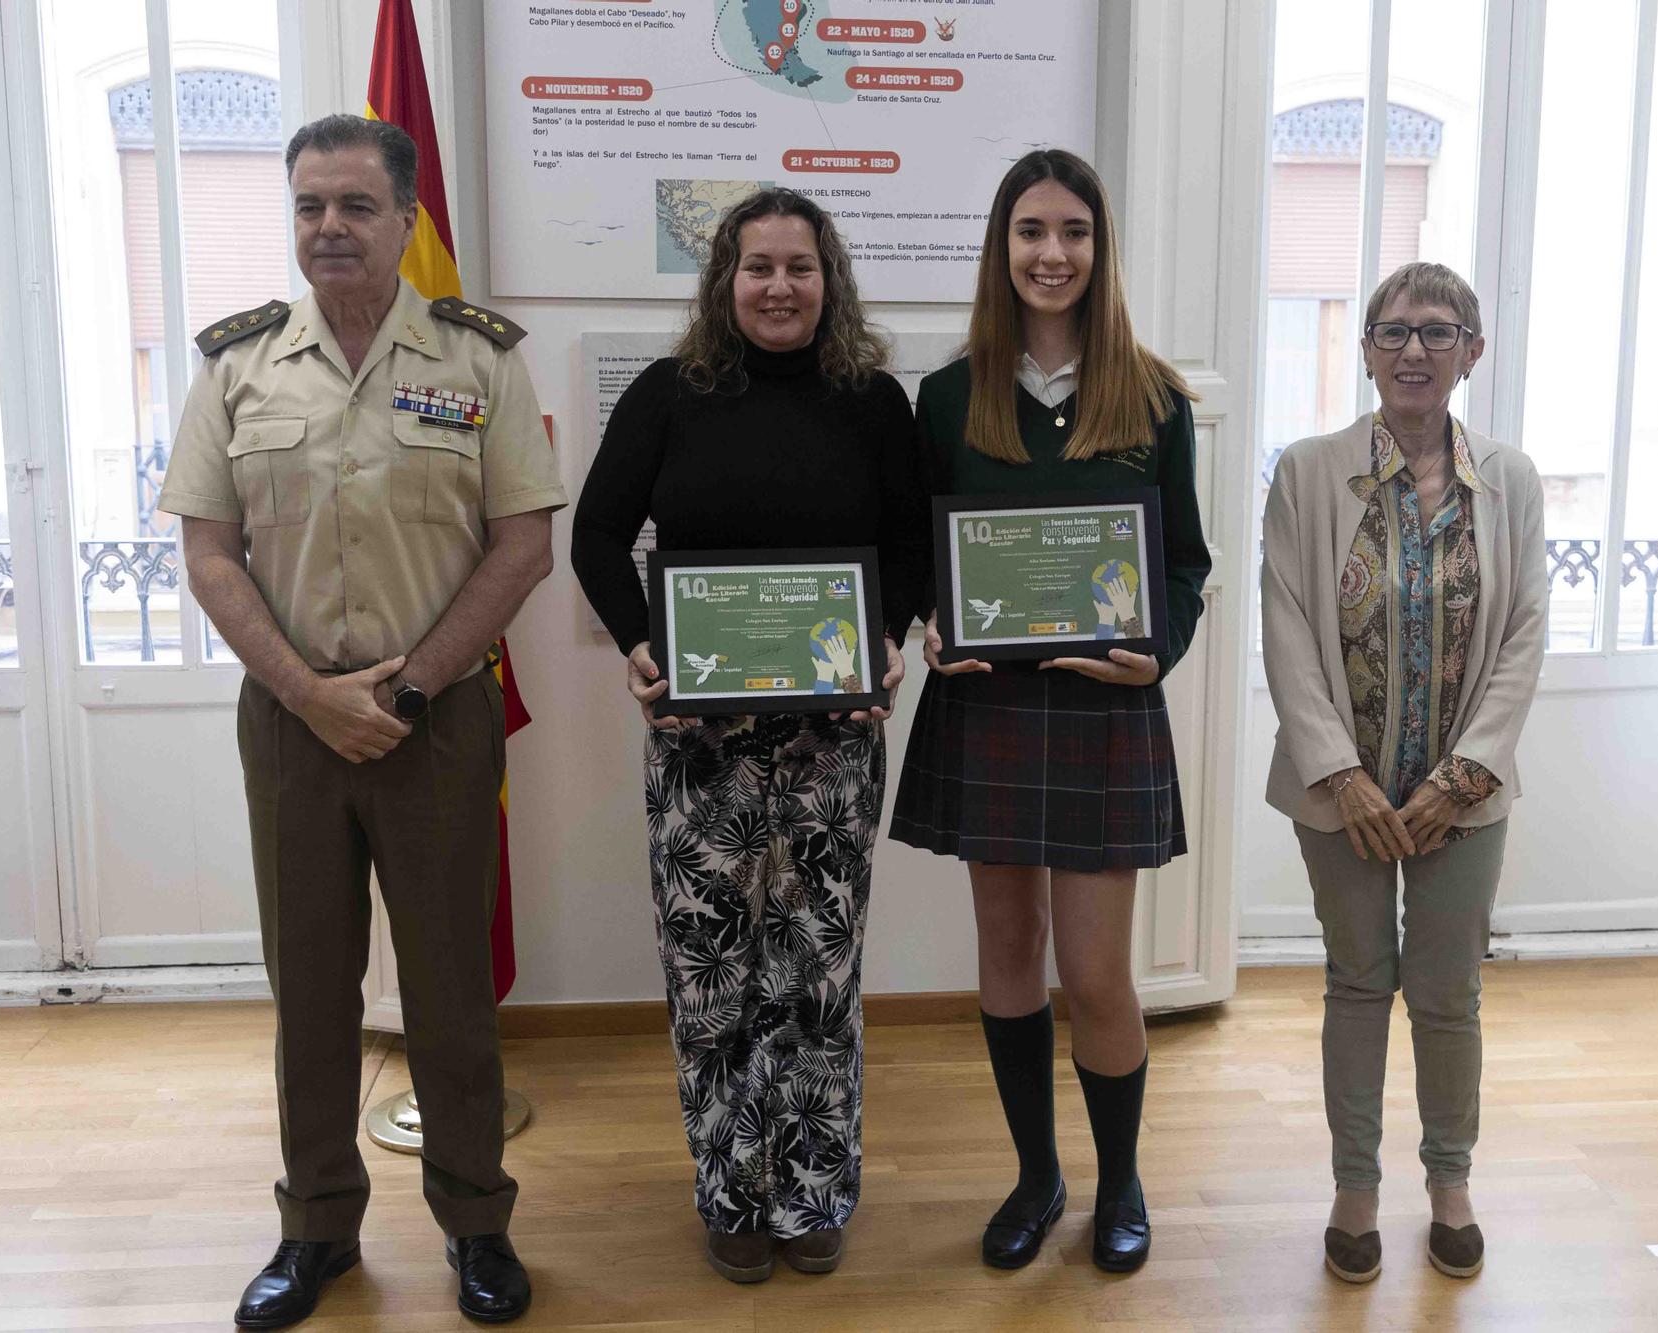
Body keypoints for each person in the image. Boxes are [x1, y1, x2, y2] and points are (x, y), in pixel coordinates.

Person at [159, 114, 565, 1328]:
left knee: (448, 992)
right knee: (313, 991)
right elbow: (209, 551)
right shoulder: (238, 365)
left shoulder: (477, 356)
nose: (326, 227)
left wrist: (402, 689)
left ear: (403, 220)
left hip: (431, 721)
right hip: (292, 725)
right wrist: (308, 692)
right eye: (306, 207)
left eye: (352, 205)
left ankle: (476, 1225)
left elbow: (523, 544)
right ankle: (317, 1228)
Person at [571, 189, 924, 1283]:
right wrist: (637, 643)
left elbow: (910, 545)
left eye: (800, 267)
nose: (780, 286)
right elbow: (593, 536)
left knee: (815, 968)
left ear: (831, 280)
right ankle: (729, 1193)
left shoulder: (872, 402)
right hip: (698, 740)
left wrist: (885, 639)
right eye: (759, 266)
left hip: (831, 739)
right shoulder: (670, 394)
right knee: (711, 967)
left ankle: (814, 1192)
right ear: (725, 278)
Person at [888, 149, 1211, 1274]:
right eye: (1030, 231)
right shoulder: (944, 395)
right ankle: (1035, 1174)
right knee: (1007, 948)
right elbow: (923, 560)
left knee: (1097, 972)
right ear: (1001, 248)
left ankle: (1120, 1181)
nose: (1051, 253)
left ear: (1098, 248)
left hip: (1099, 716)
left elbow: (1183, 568)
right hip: (988, 712)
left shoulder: (1153, 398)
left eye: (1072, 232)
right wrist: (932, 621)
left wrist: (1154, 652)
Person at [1260, 261, 1548, 1284]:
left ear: (1472, 350)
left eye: (1437, 331)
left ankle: (1450, 1182)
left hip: (1459, 801)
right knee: (1355, 979)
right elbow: (1287, 629)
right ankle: (1352, 1187)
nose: (1413, 350)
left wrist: (1462, 775)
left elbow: (1521, 634)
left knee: (1445, 991)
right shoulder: (1304, 470)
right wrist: (1339, 777)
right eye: (1392, 331)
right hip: (1341, 796)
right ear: (1367, 349)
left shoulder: (1508, 479)